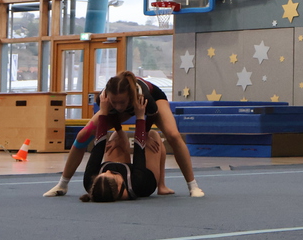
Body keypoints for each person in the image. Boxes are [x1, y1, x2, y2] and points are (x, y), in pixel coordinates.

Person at [44, 71, 204, 198]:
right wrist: (120, 133)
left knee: (173, 135)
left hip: (152, 102)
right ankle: (62, 184)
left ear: (130, 96)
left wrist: (145, 134)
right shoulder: (104, 99)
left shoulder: (144, 97)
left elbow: (153, 114)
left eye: (121, 102)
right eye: (114, 102)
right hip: (127, 106)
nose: (118, 106)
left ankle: (192, 185)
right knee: (82, 136)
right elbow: (112, 115)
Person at [81, 90, 162, 202]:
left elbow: (97, 148)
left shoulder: (90, 182)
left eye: (103, 173)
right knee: (153, 136)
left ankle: (120, 142)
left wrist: (103, 113)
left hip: (125, 170)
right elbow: (139, 150)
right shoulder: (137, 183)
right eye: (111, 174)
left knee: (116, 136)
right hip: (145, 174)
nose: (108, 171)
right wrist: (140, 117)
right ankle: (162, 184)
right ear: (120, 186)